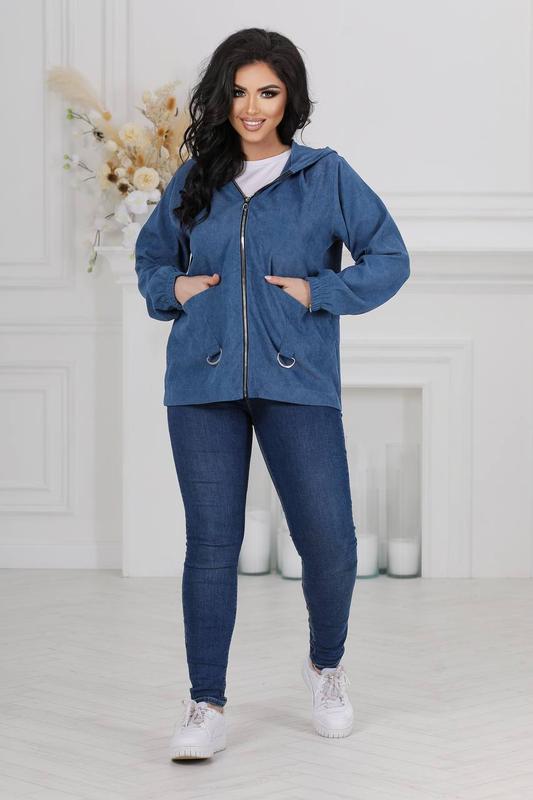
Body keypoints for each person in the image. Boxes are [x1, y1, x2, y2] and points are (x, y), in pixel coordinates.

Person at [134, 27, 410, 761]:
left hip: (299, 378)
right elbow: (152, 257)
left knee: (329, 539)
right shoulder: (196, 177)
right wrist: (173, 289)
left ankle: (326, 667)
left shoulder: (325, 174)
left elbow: (389, 257)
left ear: (290, 99)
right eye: (238, 92)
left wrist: (322, 291)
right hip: (201, 381)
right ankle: (205, 704)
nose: (251, 107)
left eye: (267, 92)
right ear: (221, 97)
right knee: (210, 545)